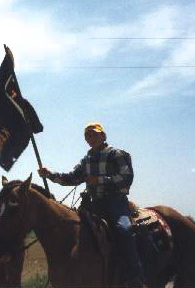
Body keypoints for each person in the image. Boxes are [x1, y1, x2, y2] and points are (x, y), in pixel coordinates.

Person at [38, 123, 145, 287]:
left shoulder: (116, 154)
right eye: (88, 136)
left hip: (115, 202)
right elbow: (72, 178)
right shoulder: (86, 160)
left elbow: (126, 177)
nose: (91, 138)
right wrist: (50, 175)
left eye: (94, 134)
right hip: (93, 205)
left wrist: (99, 180)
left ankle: (135, 277)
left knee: (123, 230)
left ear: (103, 136)